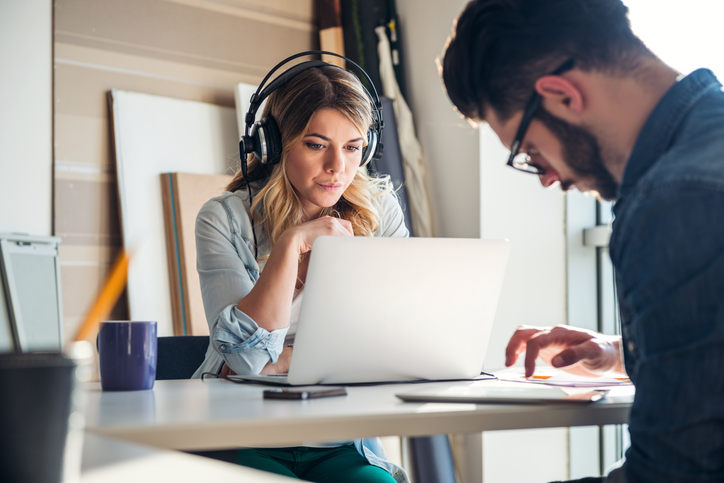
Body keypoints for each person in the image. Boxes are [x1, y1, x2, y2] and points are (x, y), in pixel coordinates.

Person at [441, 1, 724, 482]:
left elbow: (675, 474)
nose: (547, 179)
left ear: (561, 94)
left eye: (530, 151)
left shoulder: (674, 200)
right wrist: (625, 352)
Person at [191, 54, 409, 483]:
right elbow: (248, 356)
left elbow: (390, 345)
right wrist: (291, 244)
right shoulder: (225, 219)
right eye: (316, 144)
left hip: (340, 440)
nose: (337, 167)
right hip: (245, 434)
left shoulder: (380, 213)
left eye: (352, 147)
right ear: (274, 143)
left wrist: (282, 359)